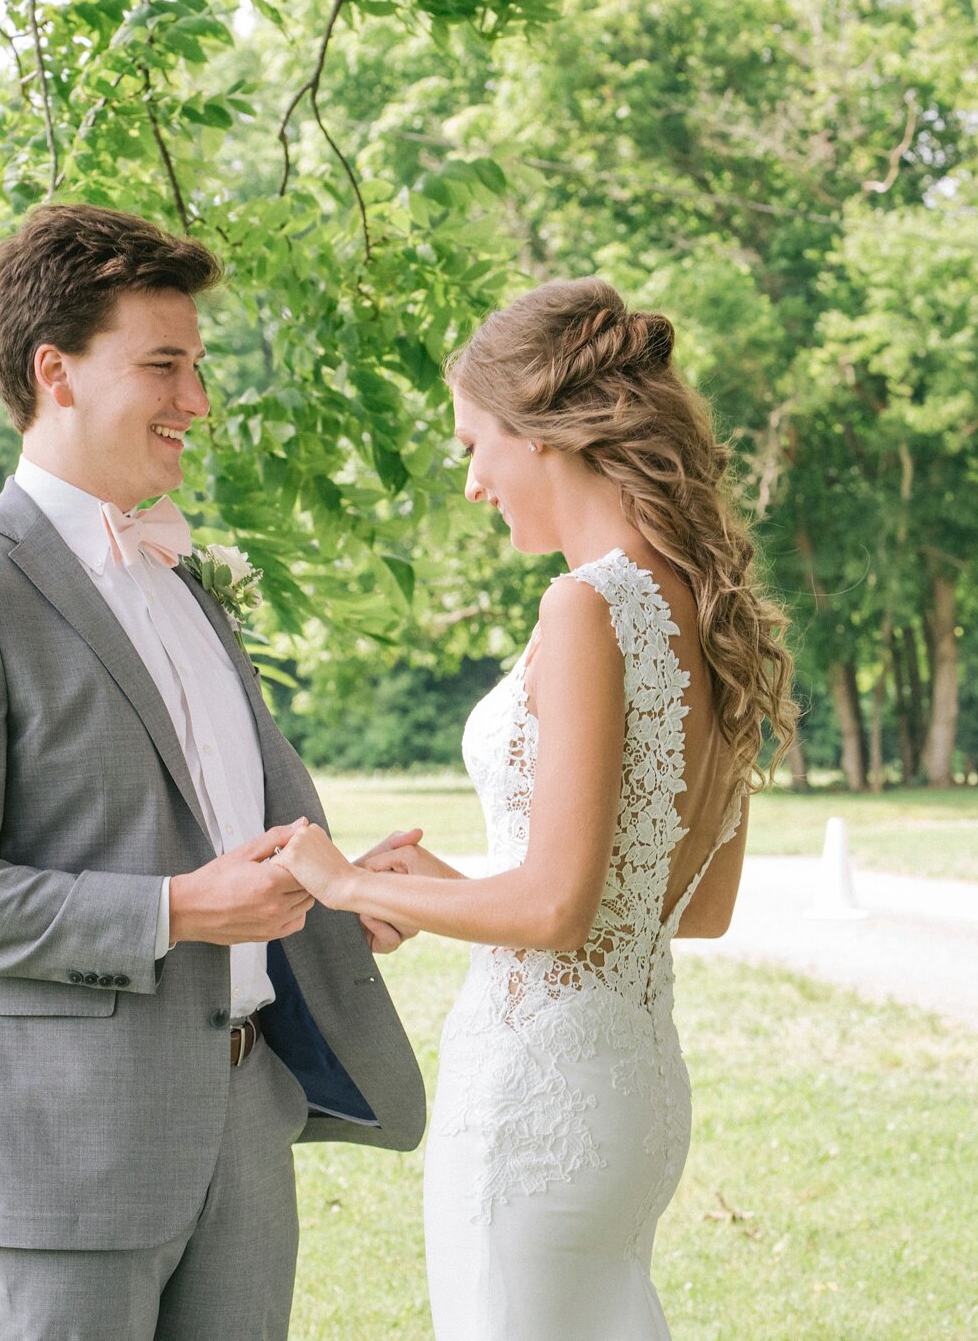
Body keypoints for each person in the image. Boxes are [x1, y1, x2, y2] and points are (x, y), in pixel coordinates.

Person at [0, 203, 425, 1341]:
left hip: (242, 1124)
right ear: (53, 371)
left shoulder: (185, 579)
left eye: (198, 367)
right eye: (164, 365)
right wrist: (178, 909)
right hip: (61, 1156)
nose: (197, 402)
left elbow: (207, 821)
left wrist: (332, 887)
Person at [277, 277, 798, 1339]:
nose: (471, 481)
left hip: (532, 1099)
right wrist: (455, 894)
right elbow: (684, 908)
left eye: (475, 444)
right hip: (633, 1091)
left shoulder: (587, 603)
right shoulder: (710, 617)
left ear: (550, 432)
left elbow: (560, 910)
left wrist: (347, 880)